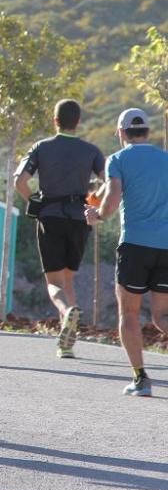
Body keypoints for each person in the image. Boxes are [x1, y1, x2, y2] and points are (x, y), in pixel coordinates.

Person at [85, 108, 168, 397]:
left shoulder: (117, 160)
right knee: (162, 316)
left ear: (121, 133)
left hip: (135, 244)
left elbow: (113, 197)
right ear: (147, 131)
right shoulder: (166, 159)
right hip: (166, 246)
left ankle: (141, 379)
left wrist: (97, 215)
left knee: (129, 314)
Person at [15, 99, 105, 358]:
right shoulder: (91, 150)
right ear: (78, 121)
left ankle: (67, 313)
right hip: (79, 219)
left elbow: (20, 181)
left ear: (55, 121)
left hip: (50, 216)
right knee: (68, 278)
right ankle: (67, 344)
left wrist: (33, 202)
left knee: (54, 283)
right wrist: (94, 202)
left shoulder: (41, 147)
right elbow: (110, 180)